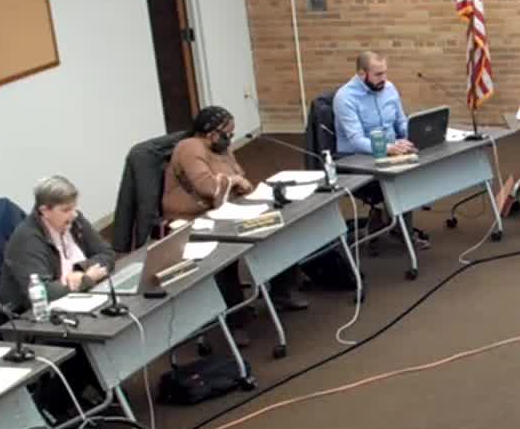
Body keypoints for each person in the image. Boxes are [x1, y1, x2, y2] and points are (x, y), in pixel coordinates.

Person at [163, 106, 310, 344]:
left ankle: (281, 291)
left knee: (277, 227)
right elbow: (207, 187)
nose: (230, 138)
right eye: (227, 133)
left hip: (224, 211)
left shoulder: (220, 147)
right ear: (210, 132)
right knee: (224, 256)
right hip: (191, 220)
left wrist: (238, 183)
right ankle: (236, 320)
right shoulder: (190, 147)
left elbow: (241, 178)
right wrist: (234, 181)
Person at [333, 51, 427, 246]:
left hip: (390, 152)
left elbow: (401, 122)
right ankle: (400, 230)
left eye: (385, 72)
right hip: (358, 159)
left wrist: (415, 134)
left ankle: (388, 219)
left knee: (422, 165)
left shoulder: (389, 88)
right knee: (404, 178)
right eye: (378, 74)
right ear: (361, 74)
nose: (384, 78)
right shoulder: (345, 98)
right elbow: (356, 140)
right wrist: (389, 148)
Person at [0, 174, 116, 313]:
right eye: (66, 210)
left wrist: (79, 270)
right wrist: (86, 279)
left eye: (74, 207)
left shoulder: (74, 220)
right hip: (38, 315)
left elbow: (107, 254)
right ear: (45, 211)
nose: (74, 214)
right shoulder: (27, 239)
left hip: (81, 298)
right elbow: (43, 292)